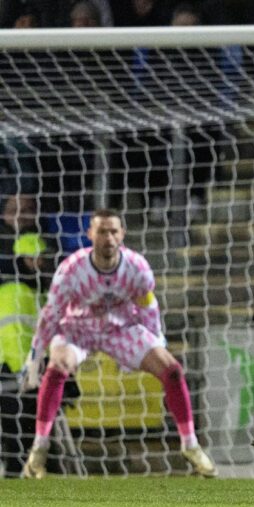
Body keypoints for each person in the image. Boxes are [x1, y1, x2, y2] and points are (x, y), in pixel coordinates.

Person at [20, 209, 216, 478]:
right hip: (79, 329)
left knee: (171, 369)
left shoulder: (137, 267)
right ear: (90, 234)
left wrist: (154, 342)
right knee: (57, 368)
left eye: (113, 231)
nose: (108, 238)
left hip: (121, 329)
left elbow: (148, 307)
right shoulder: (71, 270)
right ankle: (39, 447)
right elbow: (51, 314)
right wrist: (35, 357)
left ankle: (190, 445)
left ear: (122, 234)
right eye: (102, 231)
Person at [0, 234, 52, 477]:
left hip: (28, 375)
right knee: (19, 441)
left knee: (25, 441)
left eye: (41, 259)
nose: (40, 264)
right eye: (35, 260)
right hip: (14, 377)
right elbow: (14, 336)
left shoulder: (36, 292)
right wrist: (26, 369)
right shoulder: (13, 293)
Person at [0, 194, 39, 281]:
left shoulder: (48, 237)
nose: (19, 216)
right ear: (3, 214)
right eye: (13, 211)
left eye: (26, 210)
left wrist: (46, 263)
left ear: (36, 212)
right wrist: (21, 261)